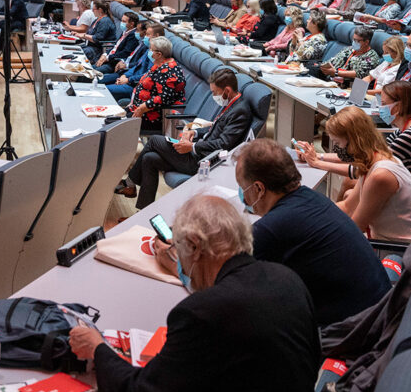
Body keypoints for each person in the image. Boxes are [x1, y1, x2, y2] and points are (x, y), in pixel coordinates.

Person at [70, 195, 331, 392]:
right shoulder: (287, 279)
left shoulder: (201, 313)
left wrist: (97, 348)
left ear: (194, 247)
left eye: (179, 249)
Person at [224, 139, 392, 326]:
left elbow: (225, 281)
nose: (242, 194)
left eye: (243, 186)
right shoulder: (311, 198)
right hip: (379, 313)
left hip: (352, 333)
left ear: (258, 188)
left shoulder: (272, 228)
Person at [118, 69, 253, 208]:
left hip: (204, 161)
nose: (213, 96)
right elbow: (215, 130)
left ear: (227, 91)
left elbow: (224, 144)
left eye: (214, 92)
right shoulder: (231, 104)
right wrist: (195, 133)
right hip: (199, 150)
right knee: (149, 159)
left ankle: (130, 182)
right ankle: (142, 213)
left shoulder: (240, 111)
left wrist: (192, 147)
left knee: (154, 141)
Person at [297, 107, 411, 242]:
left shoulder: (381, 175)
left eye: (337, 143)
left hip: (396, 251)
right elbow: (348, 206)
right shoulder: (375, 159)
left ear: (354, 141)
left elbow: (356, 227)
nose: (336, 149)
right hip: (387, 243)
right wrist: (310, 215)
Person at [128, 37, 186, 129]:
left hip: (153, 117)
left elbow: (164, 98)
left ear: (159, 54)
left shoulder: (168, 72)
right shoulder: (159, 65)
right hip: (140, 110)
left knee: (113, 124)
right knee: (112, 118)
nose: (149, 51)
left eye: (151, 49)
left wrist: (143, 107)